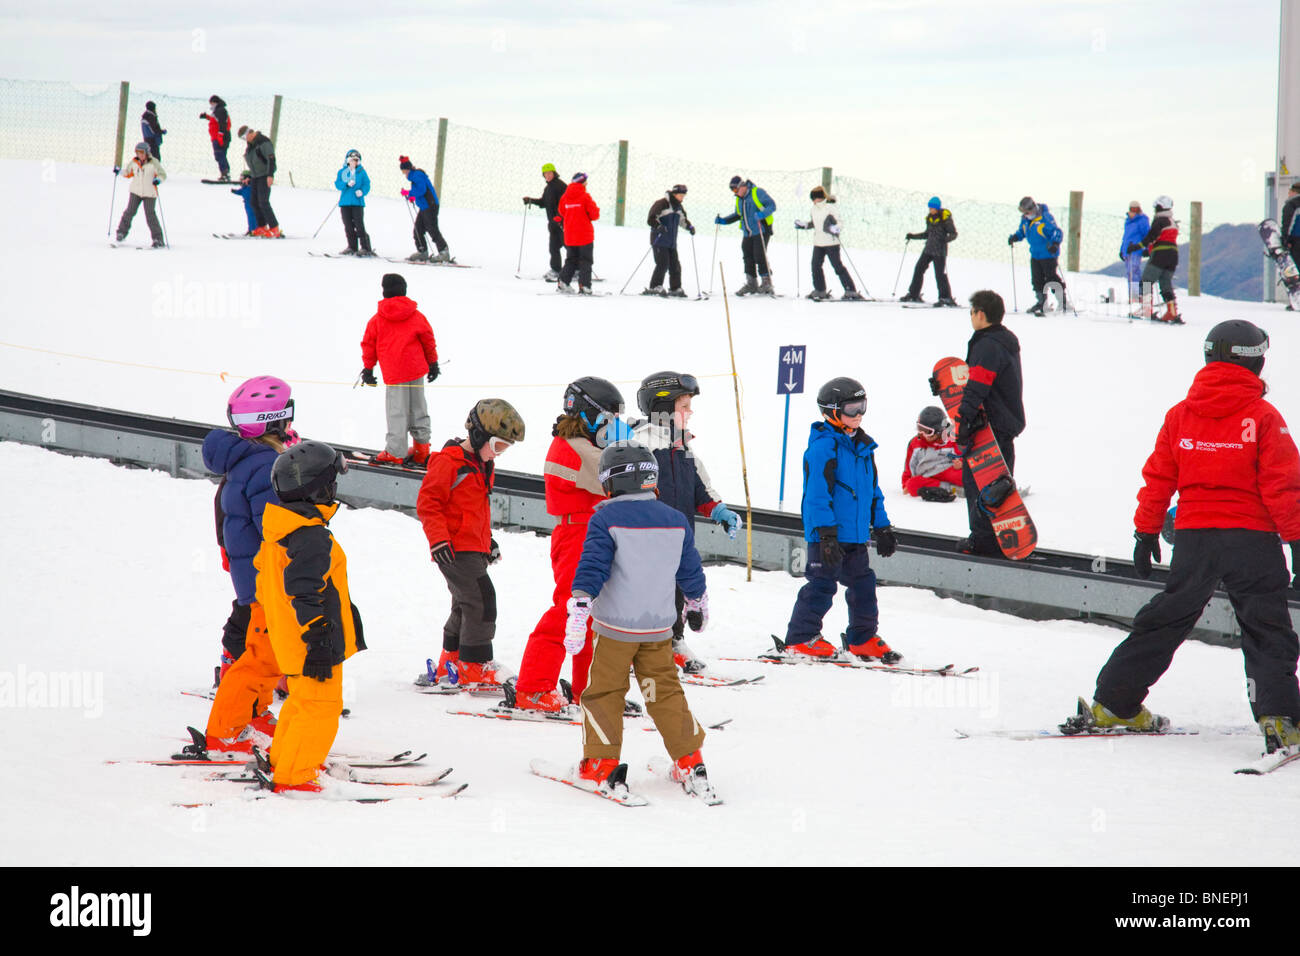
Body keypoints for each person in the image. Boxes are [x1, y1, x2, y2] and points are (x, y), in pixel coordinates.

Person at [1076, 320, 1300, 754]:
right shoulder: (1263, 417)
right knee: (1266, 627)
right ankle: (1281, 719)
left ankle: (1114, 703)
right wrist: (1296, 540)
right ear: (1255, 360)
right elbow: (1283, 485)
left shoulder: (1181, 414)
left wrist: (1145, 531)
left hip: (1194, 538)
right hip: (1251, 540)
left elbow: (1159, 476)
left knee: (1167, 619)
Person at [565, 442, 719, 801]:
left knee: (604, 693)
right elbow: (691, 570)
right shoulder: (675, 520)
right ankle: (690, 759)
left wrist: (580, 605)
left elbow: (593, 567)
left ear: (610, 484)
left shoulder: (604, 519)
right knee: (664, 693)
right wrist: (696, 602)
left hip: (615, 630)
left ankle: (601, 765)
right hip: (658, 631)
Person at [512, 378, 631, 712]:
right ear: (590, 415)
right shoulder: (571, 448)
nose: (613, 427)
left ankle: (589, 691)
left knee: (593, 619)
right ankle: (533, 688)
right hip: (577, 536)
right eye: (609, 419)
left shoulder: (585, 446)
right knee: (569, 611)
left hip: (593, 535)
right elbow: (619, 479)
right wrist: (630, 449)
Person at [257, 441, 365, 793]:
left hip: (291, 639)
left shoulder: (282, 529)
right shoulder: (309, 536)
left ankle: (285, 759)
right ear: (320, 488)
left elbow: (269, 582)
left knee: (303, 704)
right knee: (321, 707)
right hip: (311, 643)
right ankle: (295, 775)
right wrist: (318, 635)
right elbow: (304, 590)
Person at [200, 376, 297, 753]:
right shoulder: (266, 467)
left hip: (255, 569)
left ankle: (252, 714)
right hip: (265, 572)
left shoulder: (253, 458)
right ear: (274, 420)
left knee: (264, 650)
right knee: (258, 654)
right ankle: (228, 726)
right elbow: (274, 525)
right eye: (287, 417)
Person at [782, 377, 900, 661]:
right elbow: (816, 496)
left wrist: (882, 526)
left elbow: (873, 491)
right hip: (827, 536)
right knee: (822, 585)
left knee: (864, 586)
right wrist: (825, 534)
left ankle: (862, 639)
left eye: (862, 406)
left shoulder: (863, 448)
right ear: (832, 411)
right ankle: (800, 639)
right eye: (851, 408)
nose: (858, 414)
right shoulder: (823, 448)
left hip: (856, 537)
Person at [632, 372, 740, 674]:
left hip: (679, 539)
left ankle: (674, 642)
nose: (690, 412)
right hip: (648, 541)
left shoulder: (683, 447)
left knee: (677, 592)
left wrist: (719, 511)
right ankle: (640, 649)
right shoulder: (642, 444)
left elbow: (699, 489)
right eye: (684, 406)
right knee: (650, 596)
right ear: (662, 407)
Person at [415, 399, 525, 689]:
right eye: (498, 446)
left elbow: (475, 511)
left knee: (464, 604)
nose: (498, 455)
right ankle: (474, 666)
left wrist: (487, 541)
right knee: (482, 601)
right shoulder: (449, 462)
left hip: (471, 548)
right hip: (453, 549)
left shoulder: (480, 464)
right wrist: (438, 540)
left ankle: (449, 660)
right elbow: (428, 503)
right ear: (478, 436)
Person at [950, 290, 1024, 557]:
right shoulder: (1004, 342)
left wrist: (965, 420)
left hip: (989, 429)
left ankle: (983, 541)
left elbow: (977, 385)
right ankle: (997, 539)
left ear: (981, 314)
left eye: (971, 312)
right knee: (997, 486)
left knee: (980, 484)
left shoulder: (987, 345)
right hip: (1004, 425)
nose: (971, 317)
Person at [359, 273, 439, 466]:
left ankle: (395, 452)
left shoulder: (377, 320)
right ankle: (422, 449)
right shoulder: (416, 316)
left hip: (395, 374)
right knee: (419, 408)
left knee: (397, 412)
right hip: (416, 370)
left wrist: (368, 369)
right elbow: (428, 339)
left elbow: (369, 345)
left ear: (385, 292)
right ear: (404, 290)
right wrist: (433, 363)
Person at [794, 185, 861, 301]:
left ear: (818, 197)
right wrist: (804, 225)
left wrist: (836, 228)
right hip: (818, 243)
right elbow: (815, 224)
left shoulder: (830, 208)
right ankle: (820, 290)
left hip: (831, 243)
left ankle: (850, 290)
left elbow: (840, 222)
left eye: (813, 199)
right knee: (815, 266)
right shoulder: (813, 209)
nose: (813, 201)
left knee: (837, 266)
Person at [715, 175, 777, 295]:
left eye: (735, 190)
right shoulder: (739, 199)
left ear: (742, 186)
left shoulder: (757, 192)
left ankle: (766, 283)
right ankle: (751, 283)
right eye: (733, 191)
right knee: (747, 256)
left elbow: (772, 205)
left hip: (761, 229)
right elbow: (738, 215)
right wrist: (723, 220)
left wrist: (762, 214)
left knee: (759, 255)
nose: (735, 193)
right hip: (747, 232)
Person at [1008, 196, 1066, 315]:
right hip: (1035, 254)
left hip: (1048, 254)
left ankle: (1063, 302)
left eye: (1026, 211)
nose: (1025, 214)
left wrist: (1055, 243)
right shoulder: (1025, 219)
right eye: (1022, 212)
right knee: (1036, 279)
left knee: (1051, 277)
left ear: (1032, 208)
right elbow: (1023, 231)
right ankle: (1041, 302)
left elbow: (1056, 232)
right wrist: (1015, 237)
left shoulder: (1045, 217)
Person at [1128, 195, 1181, 324]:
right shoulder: (1171, 221)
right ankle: (1171, 312)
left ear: (1159, 206)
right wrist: (1148, 251)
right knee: (1165, 283)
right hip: (1173, 255)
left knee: (1146, 281)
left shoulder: (1160, 220)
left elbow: (1151, 237)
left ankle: (1146, 310)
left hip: (1160, 255)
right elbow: (1165, 239)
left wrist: (1137, 247)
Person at [900, 196, 958, 306]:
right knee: (918, 269)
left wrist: (945, 240)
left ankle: (945, 297)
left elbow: (954, 234)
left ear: (937, 208)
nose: (930, 210)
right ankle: (913, 294)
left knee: (939, 274)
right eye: (929, 208)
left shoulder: (945, 218)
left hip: (940, 251)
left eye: (932, 208)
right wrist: (913, 236)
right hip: (928, 249)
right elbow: (927, 234)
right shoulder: (929, 219)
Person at [901, 406, 963, 502]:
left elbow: (962, 455)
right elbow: (909, 467)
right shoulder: (915, 443)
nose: (924, 434)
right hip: (927, 476)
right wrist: (906, 484)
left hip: (947, 471)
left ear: (939, 430)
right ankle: (951, 489)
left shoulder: (952, 439)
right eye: (920, 429)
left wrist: (960, 464)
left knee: (964, 476)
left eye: (928, 432)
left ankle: (959, 488)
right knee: (912, 484)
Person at [644, 185, 695, 297]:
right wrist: (659, 226)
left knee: (675, 265)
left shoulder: (678, 207)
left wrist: (689, 227)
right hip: (659, 240)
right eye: (681, 195)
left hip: (671, 242)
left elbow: (683, 220)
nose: (682, 198)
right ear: (674, 194)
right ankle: (655, 286)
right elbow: (651, 218)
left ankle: (675, 288)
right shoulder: (662, 204)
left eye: (683, 196)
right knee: (663, 263)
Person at [399, 155, 451, 263]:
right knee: (418, 229)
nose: (404, 174)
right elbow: (420, 191)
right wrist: (412, 196)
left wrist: (409, 193)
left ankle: (444, 252)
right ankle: (422, 251)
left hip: (430, 206)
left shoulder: (417, 175)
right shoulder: (414, 176)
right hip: (424, 207)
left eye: (404, 171)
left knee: (432, 228)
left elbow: (422, 190)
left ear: (407, 169)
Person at [113, 143, 167, 248]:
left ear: (147, 153)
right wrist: (119, 171)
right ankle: (121, 233)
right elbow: (128, 173)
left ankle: (158, 239)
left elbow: (162, 174)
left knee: (150, 216)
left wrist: (158, 180)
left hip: (149, 193)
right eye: (138, 153)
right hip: (135, 191)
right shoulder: (134, 162)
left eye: (142, 153)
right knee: (129, 212)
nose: (140, 155)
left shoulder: (153, 163)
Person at [555, 172, 600, 294]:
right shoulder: (585, 196)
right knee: (585, 260)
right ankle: (585, 286)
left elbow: (561, 211)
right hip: (584, 235)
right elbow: (595, 215)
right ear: (582, 182)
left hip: (570, 234)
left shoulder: (565, 197)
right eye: (586, 181)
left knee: (571, 259)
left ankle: (563, 282)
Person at [524, 163, 567, 279]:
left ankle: (577, 270)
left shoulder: (560, 186)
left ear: (554, 173)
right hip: (553, 223)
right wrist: (530, 201)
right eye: (545, 174)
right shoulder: (548, 188)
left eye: (549, 173)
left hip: (563, 222)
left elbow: (566, 204)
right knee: (553, 247)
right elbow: (544, 202)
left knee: (569, 246)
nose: (547, 175)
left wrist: (560, 217)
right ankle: (556, 269)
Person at [237, 125, 280, 238]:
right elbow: (254, 164)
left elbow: (271, 159)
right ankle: (261, 227)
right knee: (254, 202)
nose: (245, 140)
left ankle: (274, 228)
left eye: (244, 137)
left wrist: (270, 175)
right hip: (256, 176)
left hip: (265, 175)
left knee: (263, 202)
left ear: (250, 133)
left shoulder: (263, 142)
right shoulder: (251, 146)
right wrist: (250, 177)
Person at [334, 148, 373, 256]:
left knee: (359, 225)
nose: (354, 162)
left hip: (357, 203)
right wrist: (346, 184)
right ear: (347, 160)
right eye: (352, 160)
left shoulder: (361, 172)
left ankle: (365, 247)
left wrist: (362, 191)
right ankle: (352, 247)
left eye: (356, 160)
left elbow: (367, 184)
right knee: (348, 226)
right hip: (345, 203)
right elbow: (338, 184)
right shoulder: (342, 172)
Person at [1119, 200, 1149, 305]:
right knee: (1131, 272)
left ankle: (1137, 296)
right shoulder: (1128, 221)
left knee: (1134, 271)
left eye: (1135, 209)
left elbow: (1147, 235)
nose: (1133, 211)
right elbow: (1125, 237)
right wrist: (1122, 249)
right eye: (1132, 209)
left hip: (1136, 249)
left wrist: (1147, 248)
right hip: (1127, 250)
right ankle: (1136, 295)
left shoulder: (1142, 220)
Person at [199, 95, 232, 181]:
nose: (211, 105)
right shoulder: (218, 111)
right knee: (220, 155)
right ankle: (224, 173)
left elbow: (222, 124)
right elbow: (215, 120)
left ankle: (225, 173)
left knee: (220, 154)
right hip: (217, 137)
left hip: (220, 137)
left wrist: (220, 135)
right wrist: (207, 117)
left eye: (212, 103)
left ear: (215, 102)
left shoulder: (220, 111)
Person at [230, 170, 257, 235]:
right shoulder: (244, 187)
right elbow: (241, 192)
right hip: (247, 205)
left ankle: (255, 230)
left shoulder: (252, 187)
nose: (242, 180)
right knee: (250, 218)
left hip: (252, 204)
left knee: (254, 217)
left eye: (243, 178)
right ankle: (250, 229)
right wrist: (235, 191)